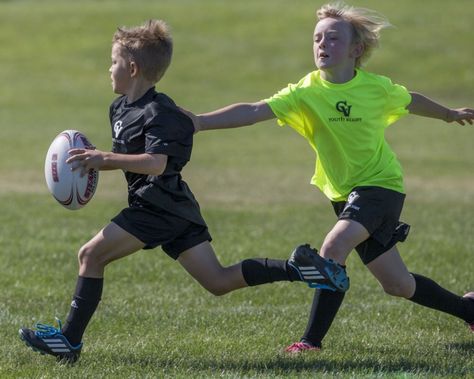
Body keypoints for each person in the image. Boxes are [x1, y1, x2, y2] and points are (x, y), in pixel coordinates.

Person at [18, 19, 352, 364]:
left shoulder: (161, 112)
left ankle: (70, 340)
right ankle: (297, 268)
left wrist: (105, 159)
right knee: (219, 281)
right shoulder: (119, 108)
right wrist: (99, 162)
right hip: (175, 208)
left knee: (91, 255)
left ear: (132, 68)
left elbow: (157, 163)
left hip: (156, 205)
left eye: (114, 62)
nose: (109, 68)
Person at [189, 2, 474, 353]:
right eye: (317, 38)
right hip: (344, 194)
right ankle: (468, 308)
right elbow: (252, 111)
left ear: (356, 50)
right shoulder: (305, 92)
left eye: (333, 38)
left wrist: (448, 114)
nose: (322, 44)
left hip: (381, 186)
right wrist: (200, 122)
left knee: (333, 249)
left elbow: (410, 99)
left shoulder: (376, 88)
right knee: (398, 285)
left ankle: (311, 342)